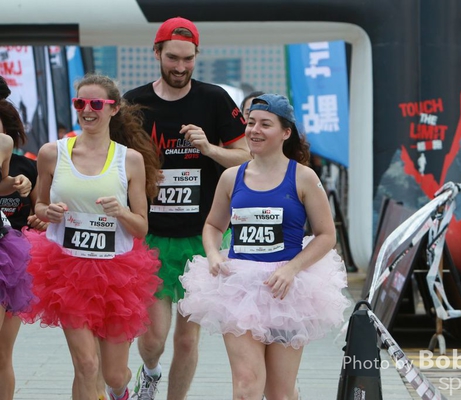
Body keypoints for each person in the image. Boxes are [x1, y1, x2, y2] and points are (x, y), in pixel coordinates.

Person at [178, 94, 350, 399]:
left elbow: (326, 235)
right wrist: (214, 254)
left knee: (279, 393)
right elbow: (214, 225)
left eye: (265, 124)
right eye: (251, 123)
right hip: (239, 289)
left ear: (286, 132)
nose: (254, 130)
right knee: (246, 385)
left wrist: (292, 269)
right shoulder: (231, 177)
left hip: (286, 290)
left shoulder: (304, 177)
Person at [122, 16, 250, 400]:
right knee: (154, 338)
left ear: (197, 56)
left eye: (188, 59)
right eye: (173, 58)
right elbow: (111, 160)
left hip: (201, 236)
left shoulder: (214, 99)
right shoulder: (134, 102)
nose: (180, 67)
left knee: (188, 339)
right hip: (152, 235)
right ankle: (150, 372)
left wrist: (209, 149)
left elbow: (246, 157)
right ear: (157, 53)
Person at [23, 73, 163, 400]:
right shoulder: (52, 153)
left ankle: (121, 391)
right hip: (66, 269)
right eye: (80, 103)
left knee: (113, 374)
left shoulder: (129, 159)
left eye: (96, 103)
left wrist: (121, 212)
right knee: (86, 365)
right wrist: (48, 212)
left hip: (116, 273)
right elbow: (39, 205)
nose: (87, 110)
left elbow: (141, 227)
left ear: (113, 108)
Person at [0, 95, 37, 400]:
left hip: (9, 256)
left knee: (3, 353)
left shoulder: (6, 146)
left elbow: (40, 209)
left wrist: (18, 183)